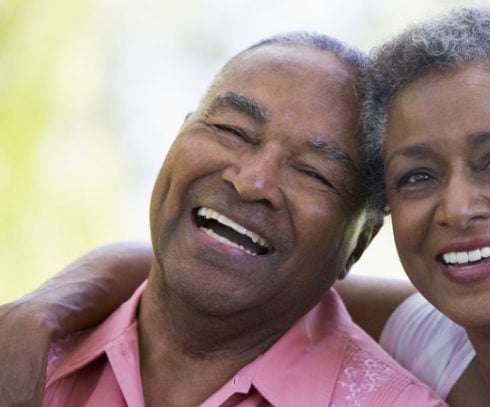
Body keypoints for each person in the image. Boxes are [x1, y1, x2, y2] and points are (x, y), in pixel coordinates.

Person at [2, 7, 490, 406]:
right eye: (418, 176)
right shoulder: (440, 335)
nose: (459, 205)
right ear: (382, 226)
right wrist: (37, 311)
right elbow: (230, 273)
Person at [0, 32, 446, 407]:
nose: (253, 182)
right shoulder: (27, 358)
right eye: (231, 131)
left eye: (313, 172)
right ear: (178, 137)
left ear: (359, 244)